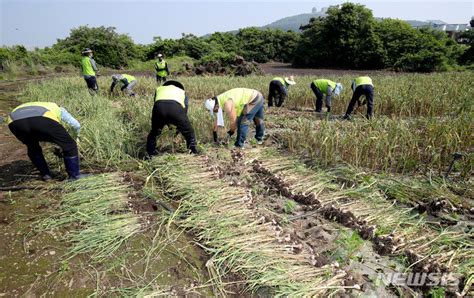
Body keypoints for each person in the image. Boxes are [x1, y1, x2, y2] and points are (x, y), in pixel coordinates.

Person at [7, 102, 86, 180]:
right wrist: (74, 141)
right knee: (70, 145)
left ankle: (46, 175)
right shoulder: (58, 108)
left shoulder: (38, 105)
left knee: (32, 146)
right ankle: (74, 176)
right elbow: (76, 125)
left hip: (14, 122)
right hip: (41, 119)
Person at [146, 80, 197, 156]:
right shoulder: (182, 92)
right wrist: (178, 127)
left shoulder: (159, 89)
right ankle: (193, 152)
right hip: (175, 108)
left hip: (158, 108)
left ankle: (150, 154)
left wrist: (165, 122)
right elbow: (184, 110)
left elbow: (156, 103)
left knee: (154, 132)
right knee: (189, 132)